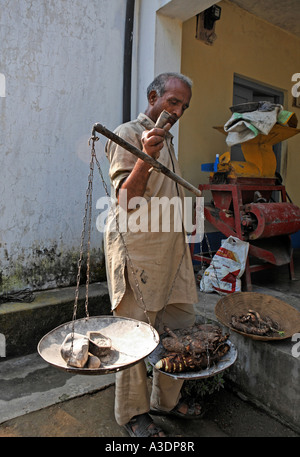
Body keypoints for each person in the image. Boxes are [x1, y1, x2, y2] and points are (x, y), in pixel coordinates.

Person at [104, 72, 202, 437]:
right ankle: (133, 413)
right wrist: (146, 155)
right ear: (153, 96)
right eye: (172, 102)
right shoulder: (129, 133)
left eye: (184, 106)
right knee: (134, 336)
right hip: (138, 254)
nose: (177, 111)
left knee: (180, 326)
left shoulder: (168, 139)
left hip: (171, 254)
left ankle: (166, 399)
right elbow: (127, 201)